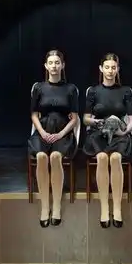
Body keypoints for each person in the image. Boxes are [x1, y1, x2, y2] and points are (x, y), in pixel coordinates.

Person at [83, 53, 132, 228]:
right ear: (101, 69)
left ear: (118, 69)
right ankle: (105, 208)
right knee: (102, 158)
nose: (110, 71)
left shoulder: (126, 91)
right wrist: (99, 122)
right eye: (107, 67)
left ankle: (117, 208)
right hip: (99, 133)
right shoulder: (93, 91)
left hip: (119, 134)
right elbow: (86, 119)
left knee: (115, 158)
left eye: (113, 67)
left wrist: (123, 131)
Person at [28, 50, 80, 228]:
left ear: (63, 65)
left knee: (55, 157)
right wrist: (42, 132)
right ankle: (45, 207)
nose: (54, 66)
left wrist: (61, 134)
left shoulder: (71, 89)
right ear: (46, 66)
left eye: (57, 62)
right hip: (43, 130)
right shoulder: (38, 88)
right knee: (42, 157)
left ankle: (56, 206)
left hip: (63, 132)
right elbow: (34, 114)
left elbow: (74, 118)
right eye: (50, 63)